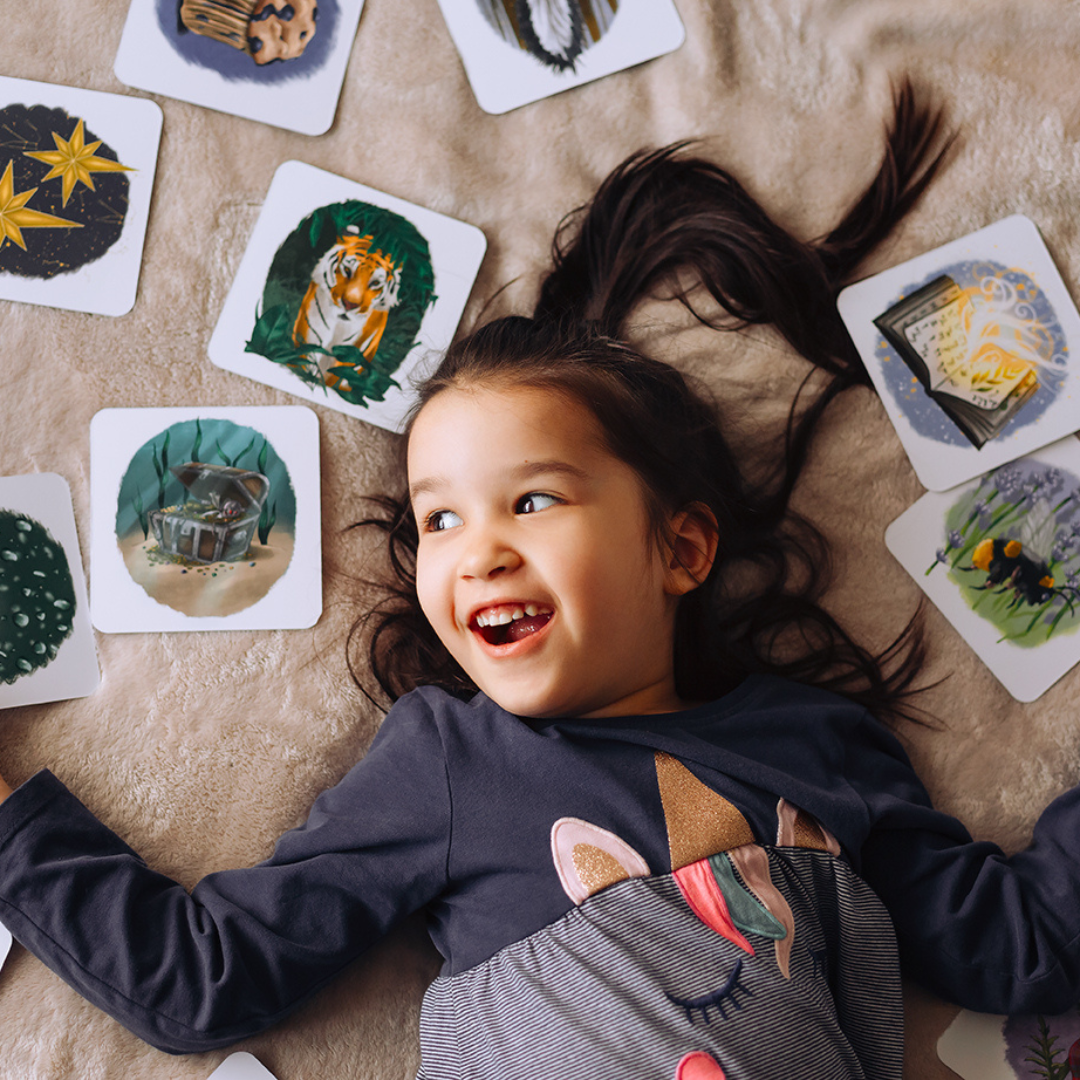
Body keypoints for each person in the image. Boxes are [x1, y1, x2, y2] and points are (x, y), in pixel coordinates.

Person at [0, 82, 1077, 1080]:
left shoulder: (822, 749)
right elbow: (207, 978)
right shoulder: (450, 764)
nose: (479, 550)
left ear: (681, 550)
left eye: (533, 501)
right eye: (440, 519)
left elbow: (1024, 946)